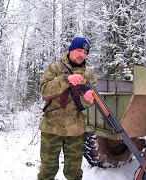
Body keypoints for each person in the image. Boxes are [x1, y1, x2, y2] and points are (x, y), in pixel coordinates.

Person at [38, 37, 97, 180]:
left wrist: (88, 101)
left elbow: (85, 105)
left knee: (74, 174)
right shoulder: (54, 68)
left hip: (75, 131)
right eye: (78, 50)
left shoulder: (88, 76)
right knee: (47, 171)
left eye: (85, 52)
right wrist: (66, 80)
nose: (81, 54)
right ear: (70, 50)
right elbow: (45, 91)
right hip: (51, 128)